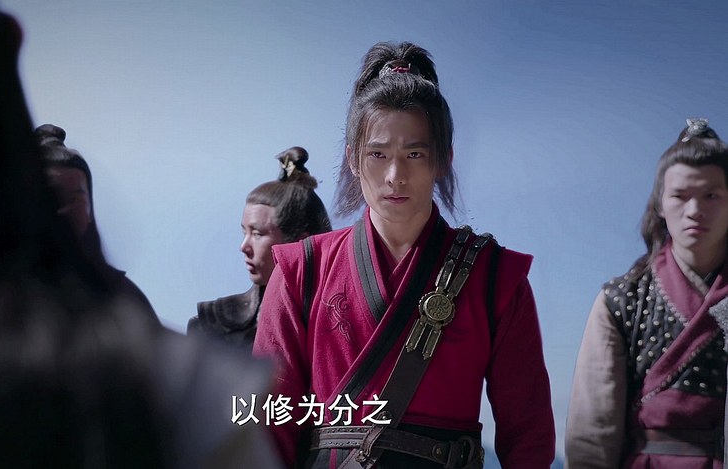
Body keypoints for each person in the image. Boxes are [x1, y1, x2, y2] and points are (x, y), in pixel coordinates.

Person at [0, 1, 282, 467]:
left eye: (73, 197)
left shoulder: (129, 326)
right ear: (11, 39)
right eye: (51, 195)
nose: (60, 211)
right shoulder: (177, 383)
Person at [252, 41, 555, 468]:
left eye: (414, 154)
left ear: (443, 160)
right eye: (378, 154)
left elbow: (529, 436)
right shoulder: (302, 269)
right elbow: (268, 424)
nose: (395, 176)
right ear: (353, 159)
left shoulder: (495, 277)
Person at [566, 118, 728, 468]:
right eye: (680, 196)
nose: (694, 211)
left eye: (711, 195)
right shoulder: (621, 299)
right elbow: (593, 431)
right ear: (660, 204)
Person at [188, 147, 331, 350]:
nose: (244, 247)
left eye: (257, 234)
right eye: (244, 232)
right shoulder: (211, 326)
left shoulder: (342, 326)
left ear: (299, 244)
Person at [35, 123, 161, 325]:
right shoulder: (2, 293)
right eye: (55, 197)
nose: (66, 210)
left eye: (76, 199)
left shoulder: (121, 294)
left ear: (89, 209)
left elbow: (155, 341)